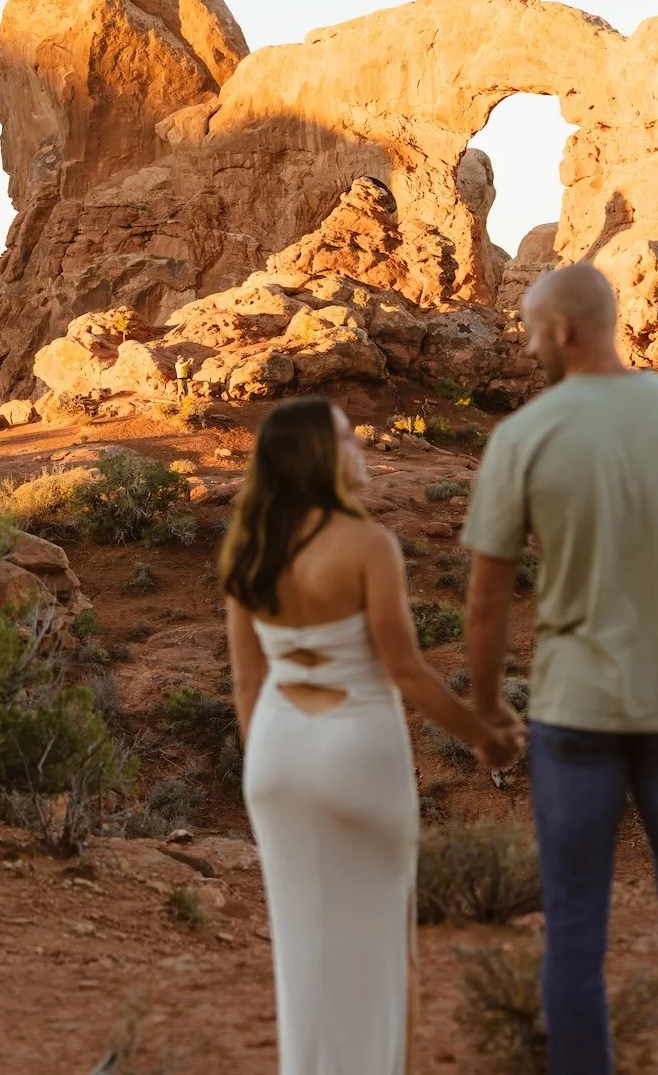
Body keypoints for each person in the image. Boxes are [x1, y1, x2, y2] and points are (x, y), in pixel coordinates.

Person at [462, 263, 658, 1075]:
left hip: (576, 715)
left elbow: (487, 600)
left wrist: (490, 709)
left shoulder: (524, 436)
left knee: (572, 932)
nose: (527, 343)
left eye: (531, 327)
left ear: (564, 330)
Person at [221, 397, 523, 1075]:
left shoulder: (248, 545)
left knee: (302, 955)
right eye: (343, 437)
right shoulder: (366, 545)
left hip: (273, 754)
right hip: (356, 752)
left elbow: (247, 683)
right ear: (313, 456)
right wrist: (483, 734)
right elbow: (406, 671)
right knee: (385, 952)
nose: (358, 445)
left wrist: (267, 767)